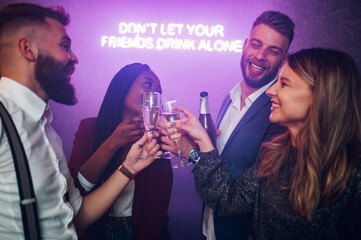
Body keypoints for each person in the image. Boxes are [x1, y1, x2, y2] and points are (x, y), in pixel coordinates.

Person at [0, 3, 161, 239]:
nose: (74, 58)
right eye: (64, 46)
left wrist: (129, 168)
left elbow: (77, 215)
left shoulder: (46, 130)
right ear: (28, 49)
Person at [173, 48, 361, 239]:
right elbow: (228, 200)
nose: (270, 90)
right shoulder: (274, 153)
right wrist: (201, 143)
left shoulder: (353, 173)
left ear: (321, 95)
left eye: (284, 84)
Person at [161, 10, 294, 239]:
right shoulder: (229, 96)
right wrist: (197, 142)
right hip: (210, 228)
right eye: (256, 44)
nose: (261, 55)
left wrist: (194, 153)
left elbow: (246, 190)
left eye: (273, 51)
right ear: (244, 45)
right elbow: (220, 161)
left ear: (284, 59)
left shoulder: (280, 115)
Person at [68, 63, 173, 240]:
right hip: (95, 231)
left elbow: (158, 210)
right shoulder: (89, 128)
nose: (155, 93)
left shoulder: (157, 140)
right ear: (123, 86)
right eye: (148, 84)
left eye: (159, 90)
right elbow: (77, 189)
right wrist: (113, 143)